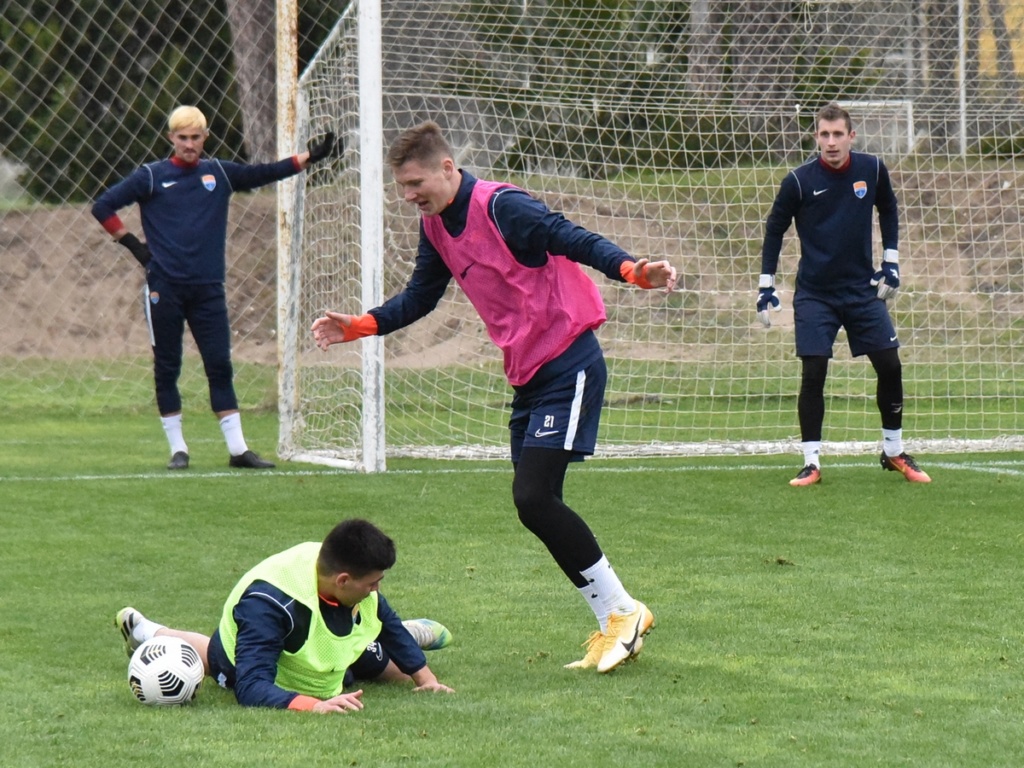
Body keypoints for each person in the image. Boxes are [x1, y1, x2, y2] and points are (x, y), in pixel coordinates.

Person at [311, 121, 677, 673]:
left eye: (415, 183)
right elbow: (420, 296)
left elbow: (573, 237)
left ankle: (622, 613)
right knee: (536, 506)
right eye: (402, 187)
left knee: (534, 497)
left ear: (447, 168)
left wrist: (630, 269)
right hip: (529, 377)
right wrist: (362, 325)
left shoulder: (503, 206)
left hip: (569, 362)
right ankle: (617, 616)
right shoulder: (435, 226)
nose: (408, 196)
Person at [92, 105, 336, 471]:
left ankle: (238, 450)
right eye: (183, 138)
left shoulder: (218, 173)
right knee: (168, 366)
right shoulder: (151, 176)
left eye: (196, 137)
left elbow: (262, 173)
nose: (189, 144)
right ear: (171, 138)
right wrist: (135, 247)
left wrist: (308, 158)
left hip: (208, 288)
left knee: (219, 364)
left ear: (205, 137)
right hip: (164, 287)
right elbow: (103, 206)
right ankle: (178, 449)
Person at [756, 103, 931, 487]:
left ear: (851, 136)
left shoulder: (872, 169)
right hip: (815, 294)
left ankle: (894, 452)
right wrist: (766, 284)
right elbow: (774, 229)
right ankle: (811, 463)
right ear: (816, 137)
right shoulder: (798, 181)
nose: (831, 142)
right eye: (825, 134)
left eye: (838, 134)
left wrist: (891, 262)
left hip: (861, 290)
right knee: (814, 370)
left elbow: (888, 207)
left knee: (890, 365)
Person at [116, 518, 454, 712]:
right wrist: (314, 705)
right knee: (213, 658)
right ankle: (149, 632)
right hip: (264, 652)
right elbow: (251, 687)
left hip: (326, 651)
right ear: (343, 580)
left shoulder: (350, 578)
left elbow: (385, 618)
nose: (377, 589)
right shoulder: (269, 603)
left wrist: (426, 680)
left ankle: (384, 636)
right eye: (372, 583)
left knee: (391, 667)